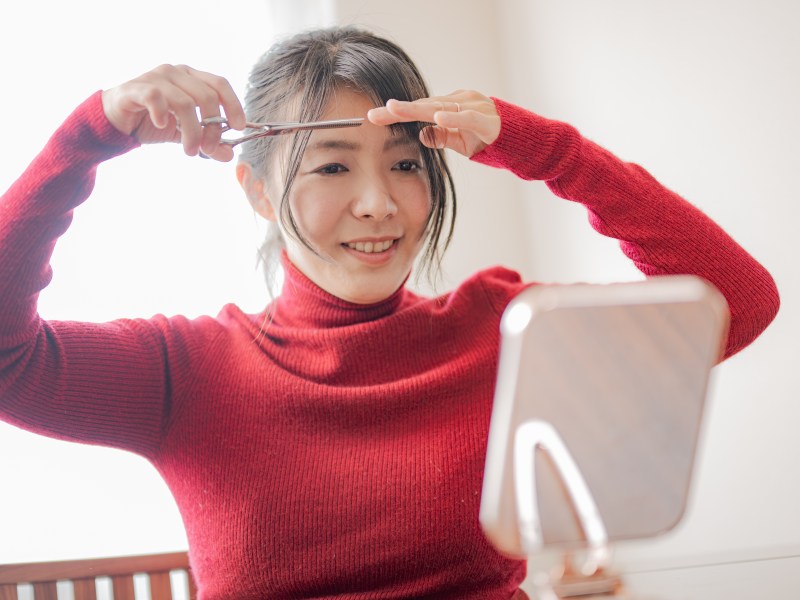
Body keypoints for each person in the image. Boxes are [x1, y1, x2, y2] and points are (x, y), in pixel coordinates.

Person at [0, 25, 779, 600]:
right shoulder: (185, 371)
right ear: (259, 192)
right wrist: (89, 133)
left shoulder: (506, 333)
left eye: (407, 164)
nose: (379, 204)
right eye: (334, 165)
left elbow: (734, 301)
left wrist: (547, 150)